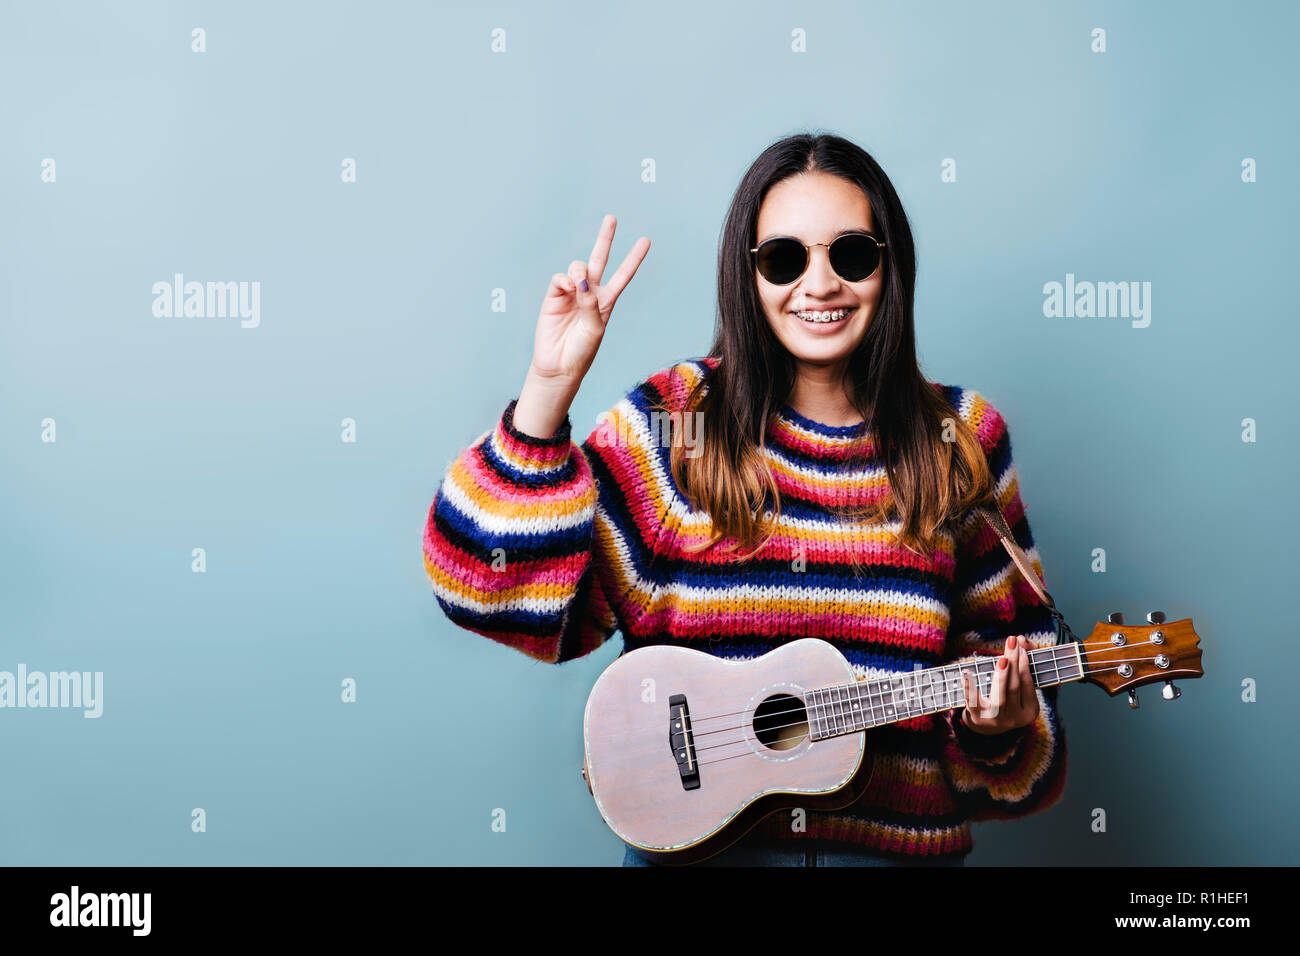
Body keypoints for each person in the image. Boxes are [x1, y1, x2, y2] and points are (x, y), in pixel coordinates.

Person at [422, 132, 1066, 867]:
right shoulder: (678, 423)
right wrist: (546, 390)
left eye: (850, 254)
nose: (819, 284)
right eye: (785, 258)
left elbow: (1024, 747)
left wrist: (997, 729)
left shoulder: (963, 437)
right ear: (748, 275)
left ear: (891, 268)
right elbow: (493, 594)